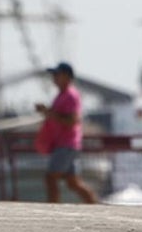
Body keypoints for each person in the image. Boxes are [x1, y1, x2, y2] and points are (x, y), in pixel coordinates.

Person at [34, 62, 98, 204]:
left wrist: (49, 113)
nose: (54, 77)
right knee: (73, 183)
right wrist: (47, 112)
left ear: (67, 76)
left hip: (67, 145)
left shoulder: (71, 95)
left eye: (57, 74)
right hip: (65, 144)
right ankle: (94, 205)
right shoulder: (61, 95)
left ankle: (53, 209)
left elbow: (72, 121)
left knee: (50, 178)